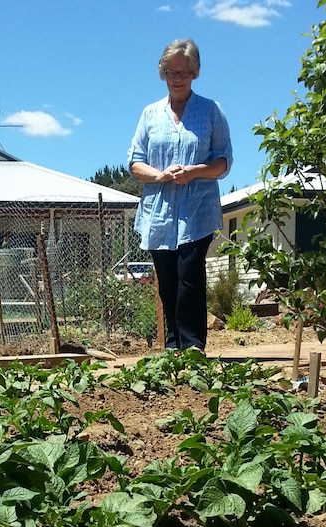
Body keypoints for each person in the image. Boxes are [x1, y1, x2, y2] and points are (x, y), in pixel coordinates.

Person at [126, 38, 232, 353]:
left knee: (190, 275)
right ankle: (173, 345)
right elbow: (134, 162)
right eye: (171, 72)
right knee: (168, 282)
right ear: (163, 73)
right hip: (159, 213)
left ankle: (194, 344)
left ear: (194, 74)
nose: (177, 78)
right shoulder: (150, 114)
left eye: (183, 72)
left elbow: (223, 162)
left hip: (197, 212)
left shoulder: (211, 111)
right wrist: (160, 175)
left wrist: (194, 171)